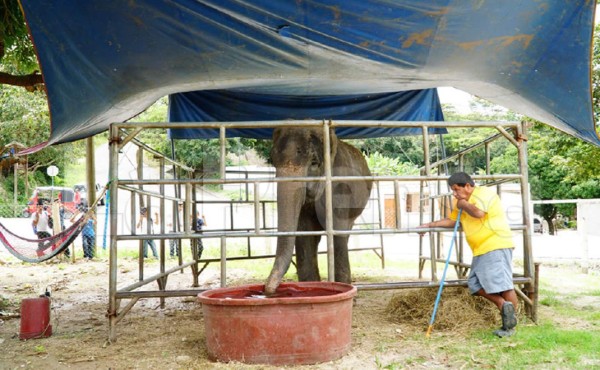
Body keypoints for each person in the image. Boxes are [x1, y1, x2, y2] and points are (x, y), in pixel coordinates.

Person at [418, 172, 518, 337]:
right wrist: (429, 225)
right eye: (453, 191)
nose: (455, 194)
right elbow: (452, 221)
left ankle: (511, 325)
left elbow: (479, 213)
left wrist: (462, 203)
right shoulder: (461, 202)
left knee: (503, 284)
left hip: (495, 244)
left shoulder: (483, 193)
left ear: (468, 185)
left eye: (457, 190)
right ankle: (503, 304)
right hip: (481, 248)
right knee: (474, 283)